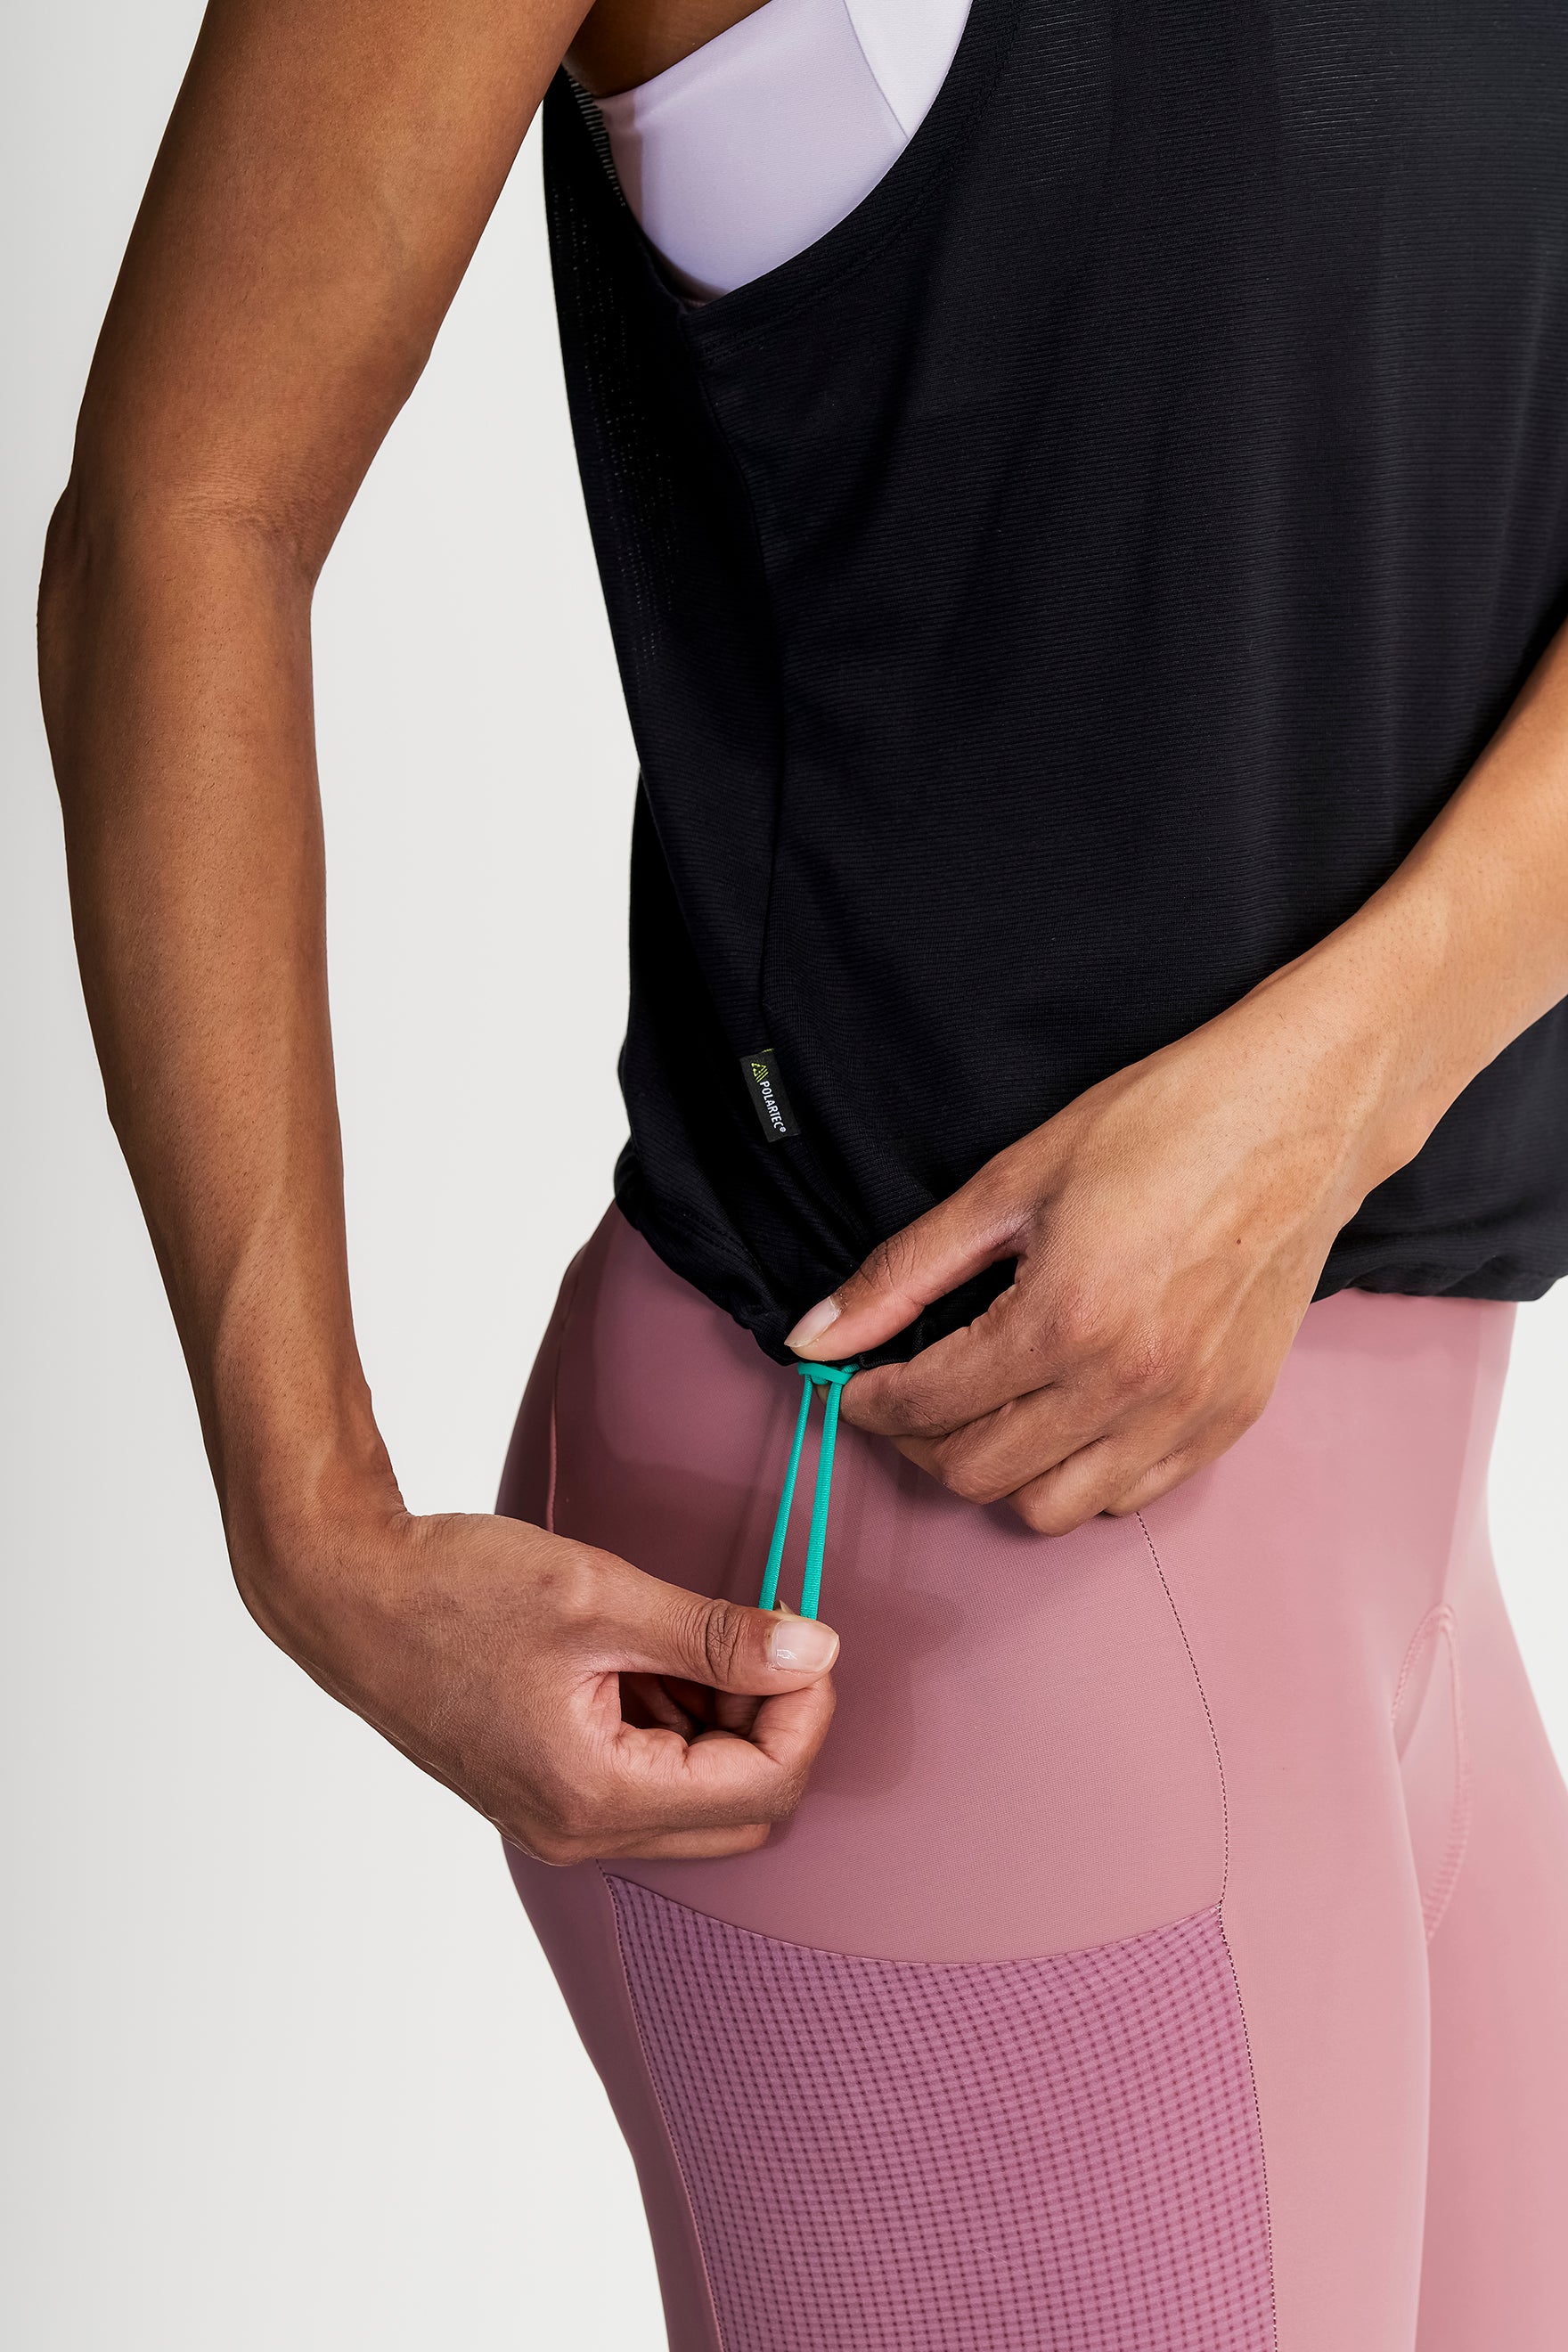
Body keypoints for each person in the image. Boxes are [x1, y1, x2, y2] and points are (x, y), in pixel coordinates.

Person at [37, 0, 1568, 2344]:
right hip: (935, 1582)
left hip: (1403, 1548)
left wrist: (1356, 1065)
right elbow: (185, 512)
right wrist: (307, 1519)